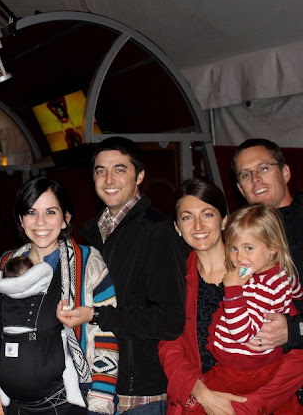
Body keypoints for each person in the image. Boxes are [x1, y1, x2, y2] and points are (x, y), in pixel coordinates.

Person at [159, 179, 303, 414]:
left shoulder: (258, 268)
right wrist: (201, 393)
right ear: (177, 226)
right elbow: (169, 347)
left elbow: (298, 356)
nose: (198, 226)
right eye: (187, 217)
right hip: (203, 401)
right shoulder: (174, 278)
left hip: (264, 403)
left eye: (207, 214)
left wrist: (252, 404)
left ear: (225, 219)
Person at [77, 136, 187, 414]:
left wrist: (97, 315)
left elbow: (170, 320)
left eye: (120, 169)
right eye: (100, 170)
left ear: (139, 176)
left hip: (138, 391)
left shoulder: (157, 231)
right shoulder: (90, 233)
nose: (109, 179)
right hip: (93, 383)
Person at [0, 177, 118, 415]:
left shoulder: (88, 262)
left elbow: (107, 331)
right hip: (14, 406)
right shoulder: (5, 263)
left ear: (65, 219)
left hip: (72, 403)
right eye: (31, 212)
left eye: (50, 212)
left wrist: (101, 399)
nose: (40, 222)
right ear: (21, 219)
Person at [0, 255, 89, 410]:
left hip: (6, 368)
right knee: (65, 354)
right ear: (33, 275)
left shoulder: (2, 295)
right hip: (38, 365)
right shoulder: (42, 290)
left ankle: (3, 393)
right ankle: (73, 393)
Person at [233, 138, 303, 351]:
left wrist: (295, 329)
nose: (255, 179)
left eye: (263, 168)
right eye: (246, 175)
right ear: (241, 189)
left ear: (285, 173)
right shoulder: (237, 235)